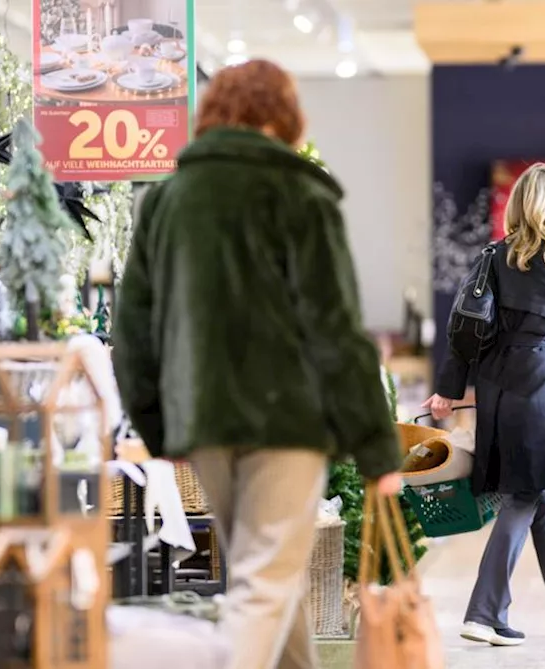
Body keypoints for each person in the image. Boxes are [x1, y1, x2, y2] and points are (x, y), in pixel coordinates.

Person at [113, 59, 403, 669]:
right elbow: (336, 330)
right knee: (264, 581)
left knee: (268, 572)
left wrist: (157, 426)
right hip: (287, 424)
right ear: (285, 117)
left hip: (206, 422)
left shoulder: (166, 199)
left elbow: (133, 330)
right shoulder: (299, 194)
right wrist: (378, 449)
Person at [422, 164, 545, 647]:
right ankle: (484, 613)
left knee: (538, 497)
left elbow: (463, 332)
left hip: (498, 390)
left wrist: (448, 389)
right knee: (525, 496)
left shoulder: (493, 257)